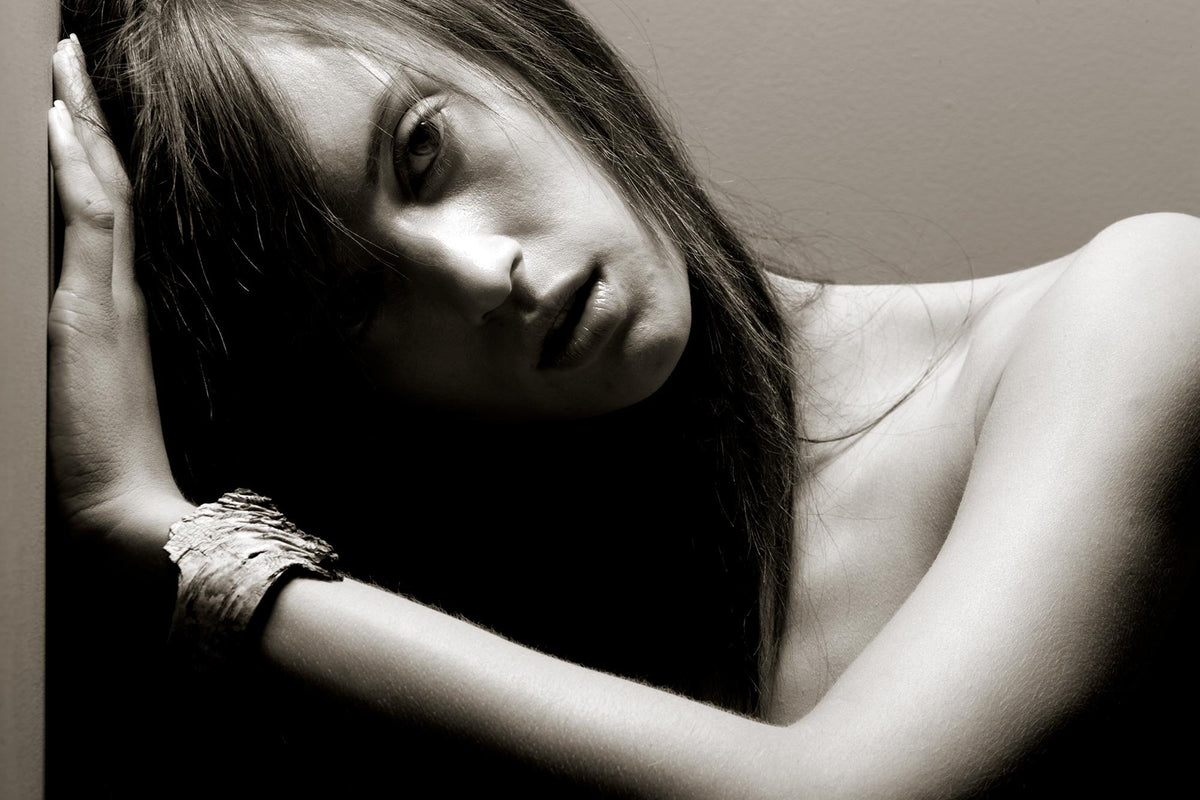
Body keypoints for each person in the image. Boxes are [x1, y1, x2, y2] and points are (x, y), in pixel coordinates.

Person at [46, 0, 1199, 797]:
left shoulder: (1138, 303)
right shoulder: (503, 639)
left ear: (527, 51)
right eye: (357, 305)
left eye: (424, 149)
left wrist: (182, 540)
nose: (479, 272)